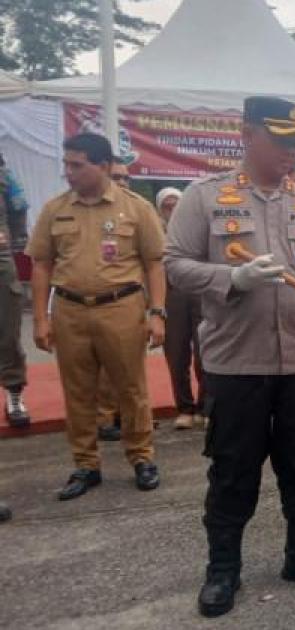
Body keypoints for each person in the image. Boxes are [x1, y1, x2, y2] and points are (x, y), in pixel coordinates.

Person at [166, 97, 295, 617]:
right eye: (279, 139)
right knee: (233, 471)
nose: (290, 151)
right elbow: (175, 265)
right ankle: (223, 568)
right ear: (246, 134)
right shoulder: (204, 197)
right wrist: (231, 278)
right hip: (237, 362)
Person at [26, 133, 167, 500]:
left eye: (77, 165)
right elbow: (41, 265)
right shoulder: (55, 209)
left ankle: (141, 457)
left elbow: (154, 264)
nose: (68, 172)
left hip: (121, 307)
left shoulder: (136, 208)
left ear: (103, 166)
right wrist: (41, 319)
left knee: (131, 388)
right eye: (66, 164)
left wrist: (157, 313)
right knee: (78, 392)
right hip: (70, 310)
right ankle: (86, 464)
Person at [153, 187, 207, 431]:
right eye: (167, 206)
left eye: (177, 204)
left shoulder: (197, 227)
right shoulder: (155, 233)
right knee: (176, 356)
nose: (173, 210)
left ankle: (206, 407)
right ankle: (185, 408)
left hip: (200, 295)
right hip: (171, 297)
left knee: (206, 353)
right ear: (160, 210)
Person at [96, 162, 133, 440]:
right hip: (99, 299)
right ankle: (106, 418)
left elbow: (152, 261)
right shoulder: (89, 211)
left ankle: (129, 416)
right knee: (104, 367)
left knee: (131, 366)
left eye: (126, 178)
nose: (122, 182)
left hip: (131, 300)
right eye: (117, 177)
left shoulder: (138, 210)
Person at [1, 152, 30, 428]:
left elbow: (19, 207)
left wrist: (12, 238)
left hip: (0, 260)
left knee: (8, 333)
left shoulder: (5, 177)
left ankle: (14, 395)